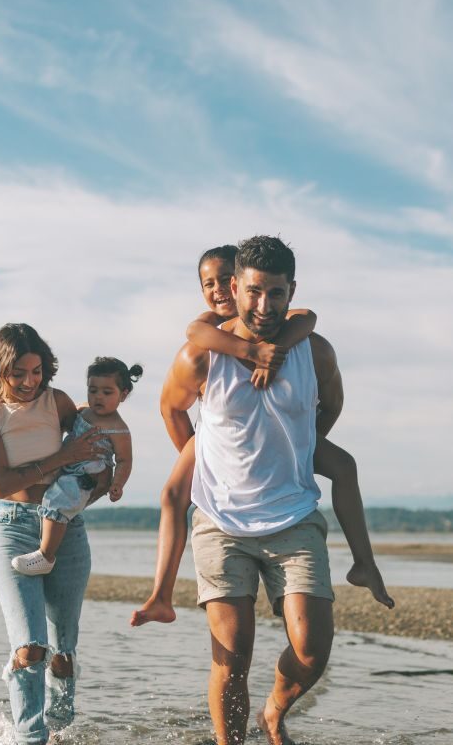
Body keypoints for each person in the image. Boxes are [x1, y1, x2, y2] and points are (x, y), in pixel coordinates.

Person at [143, 236, 358, 745]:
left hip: (292, 513)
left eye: (275, 293)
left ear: (289, 292)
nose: (263, 304)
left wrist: (296, 444)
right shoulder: (201, 349)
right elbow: (171, 407)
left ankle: (273, 711)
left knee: (312, 651)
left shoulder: (308, 343)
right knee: (233, 652)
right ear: (237, 289)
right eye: (249, 291)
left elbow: (330, 402)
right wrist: (200, 453)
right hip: (220, 518)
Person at [131, 244, 392, 628]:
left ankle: (364, 562)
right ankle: (161, 595)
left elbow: (308, 317)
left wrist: (301, 442)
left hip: (284, 440)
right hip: (218, 441)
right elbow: (190, 341)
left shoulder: (291, 327)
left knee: (344, 465)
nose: (219, 290)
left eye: (224, 280)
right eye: (210, 284)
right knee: (173, 494)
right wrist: (205, 451)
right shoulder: (205, 329)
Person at [0, 323, 108, 745]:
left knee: (62, 653)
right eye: (19, 373)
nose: (30, 382)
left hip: (66, 529)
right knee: (31, 648)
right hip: (12, 528)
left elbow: (100, 444)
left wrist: (99, 483)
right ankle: (31, 737)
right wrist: (63, 456)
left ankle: (61, 730)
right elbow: (1, 483)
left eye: (37, 371)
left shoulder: (59, 402)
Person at [11, 357, 141, 575]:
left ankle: (46, 556)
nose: (98, 397)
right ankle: (43, 543)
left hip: (86, 474)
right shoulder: (83, 411)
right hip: (67, 465)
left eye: (107, 393)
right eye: (93, 390)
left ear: (124, 394)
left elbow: (125, 460)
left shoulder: (119, 429)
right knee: (49, 495)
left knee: (57, 502)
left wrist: (117, 483)